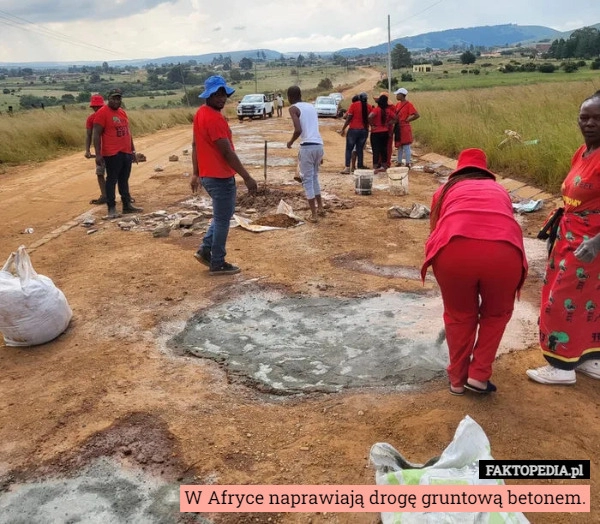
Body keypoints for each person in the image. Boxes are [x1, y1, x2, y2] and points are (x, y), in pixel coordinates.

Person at [421, 148, 528, 395]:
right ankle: (479, 375)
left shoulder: (444, 190)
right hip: (503, 253)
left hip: (454, 252)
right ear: (484, 171)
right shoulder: (500, 190)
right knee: (496, 314)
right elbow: (503, 220)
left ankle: (457, 381)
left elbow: (435, 230)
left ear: (458, 170)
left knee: (459, 315)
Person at [526, 93, 600, 385]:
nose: (590, 123)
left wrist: (596, 243)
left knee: (562, 300)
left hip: (590, 245)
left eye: (597, 118)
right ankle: (588, 359)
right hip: (570, 236)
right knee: (587, 300)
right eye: (585, 117)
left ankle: (560, 367)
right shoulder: (583, 152)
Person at [191, 75, 258, 276]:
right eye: (217, 94)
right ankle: (217, 262)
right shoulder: (214, 119)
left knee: (221, 216)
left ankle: (205, 250)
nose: (221, 98)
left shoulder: (200, 113)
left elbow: (195, 144)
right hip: (219, 176)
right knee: (222, 220)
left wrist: (196, 172)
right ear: (208, 95)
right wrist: (247, 177)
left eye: (223, 94)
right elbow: (227, 152)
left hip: (208, 175)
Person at [93, 88, 142, 219]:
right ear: (108, 99)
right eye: (113, 98)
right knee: (111, 180)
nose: (116, 101)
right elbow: (96, 134)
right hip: (112, 153)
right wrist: (98, 154)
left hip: (125, 151)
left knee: (124, 180)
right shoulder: (102, 113)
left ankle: (127, 205)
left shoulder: (122, 112)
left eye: (118, 98)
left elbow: (128, 132)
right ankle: (112, 208)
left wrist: (132, 150)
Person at [286, 85, 325, 223]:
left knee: (307, 180)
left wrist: (290, 142)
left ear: (290, 97)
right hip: (319, 145)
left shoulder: (293, 108)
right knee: (314, 177)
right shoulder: (311, 106)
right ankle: (320, 208)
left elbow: (298, 129)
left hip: (307, 147)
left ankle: (314, 214)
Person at [339, 92, 370, 174]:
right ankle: (360, 166)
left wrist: (343, 129)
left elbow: (348, 118)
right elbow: (370, 118)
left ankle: (347, 167)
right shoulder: (369, 106)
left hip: (353, 130)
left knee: (349, 149)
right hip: (364, 131)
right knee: (360, 149)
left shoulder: (354, 105)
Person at [85, 94, 107, 205]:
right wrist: (87, 150)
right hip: (100, 151)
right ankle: (104, 195)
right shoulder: (91, 119)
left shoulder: (108, 116)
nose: (96, 109)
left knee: (112, 174)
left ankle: (108, 195)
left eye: (98, 107)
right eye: (95, 107)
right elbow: (89, 135)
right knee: (100, 173)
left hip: (110, 150)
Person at [368, 93, 396, 173]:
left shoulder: (376, 110)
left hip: (376, 132)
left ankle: (375, 167)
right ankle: (384, 166)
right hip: (385, 132)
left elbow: (370, 116)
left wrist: (372, 125)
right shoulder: (388, 110)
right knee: (384, 149)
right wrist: (389, 123)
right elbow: (396, 118)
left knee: (376, 150)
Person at [394, 88, 420, 168]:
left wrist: (407, 120)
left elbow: (416, 115)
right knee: (400, 145)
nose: (396, 96)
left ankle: (407, 163)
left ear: (402, 95)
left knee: (406, 146)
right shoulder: (398, 104)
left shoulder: (408, 104)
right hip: (399, 127)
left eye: (398, 94)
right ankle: (399, 162)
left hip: (404, 127)